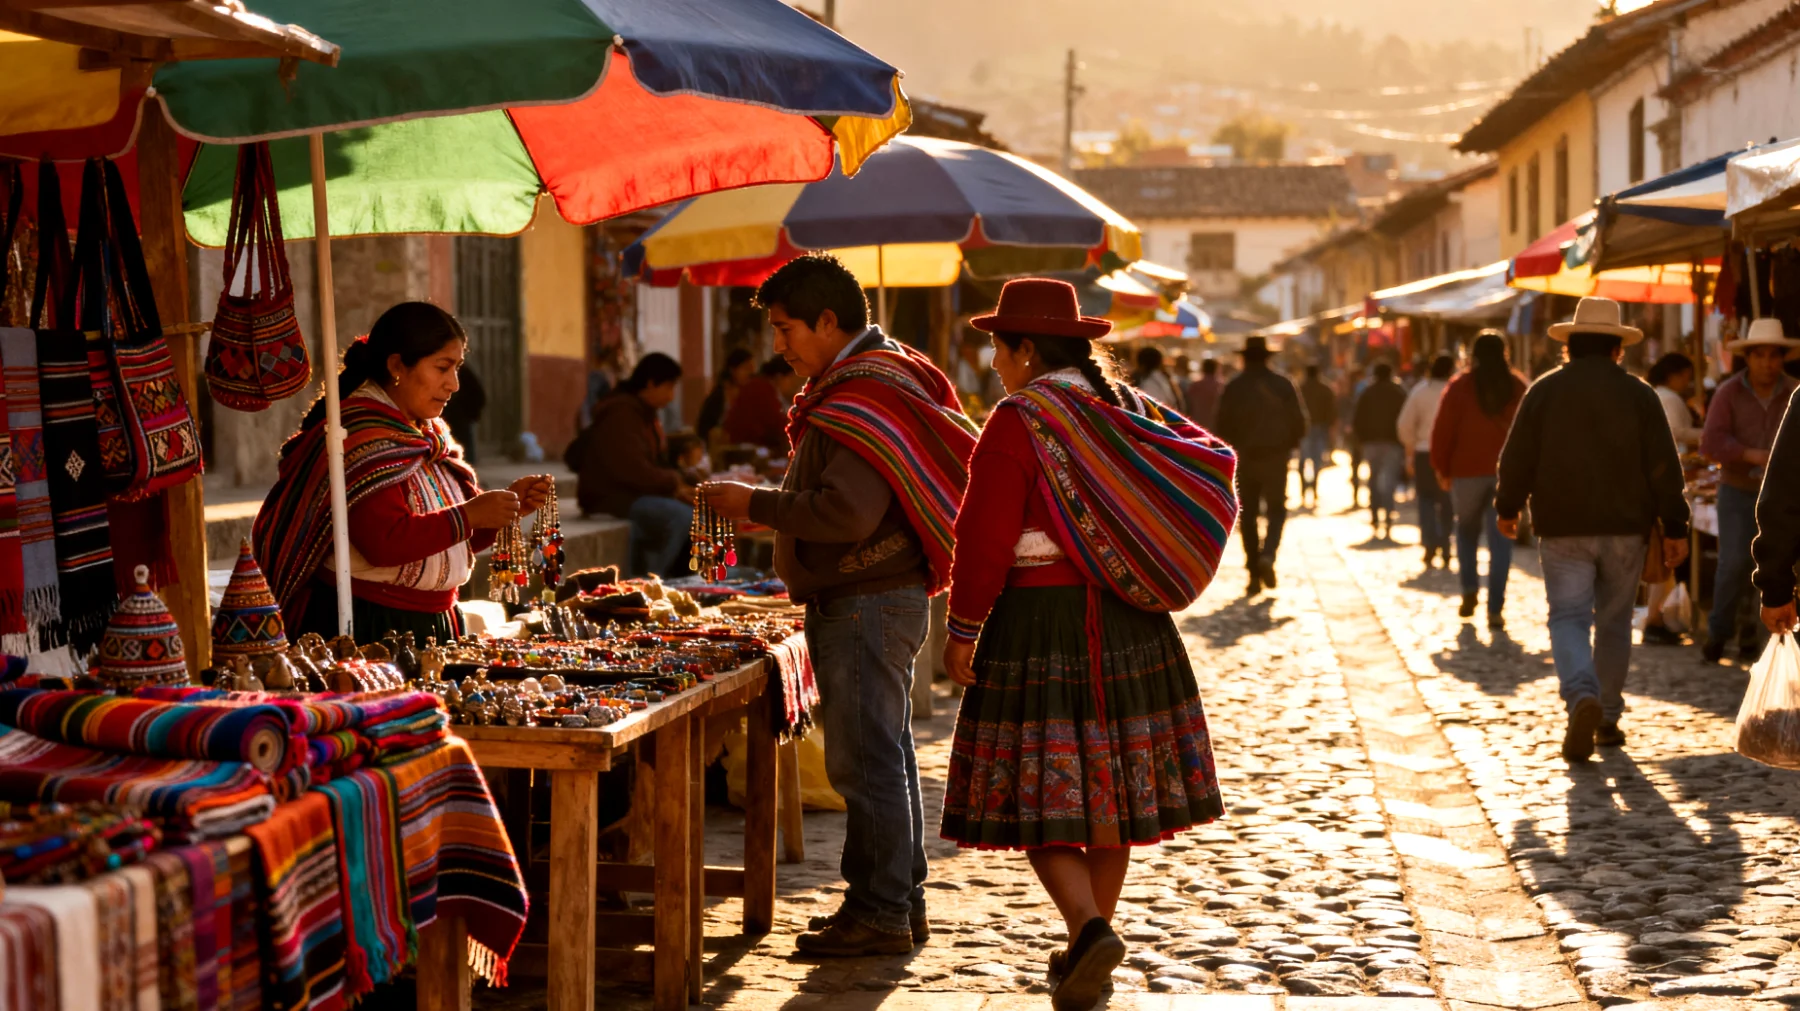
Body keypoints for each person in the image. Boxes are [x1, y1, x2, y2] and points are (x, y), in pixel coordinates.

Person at [939, 278, 1231, 1011]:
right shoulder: (1126, 407)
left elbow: (985, 536)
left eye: (998, 349)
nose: (994, 363)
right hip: (1133, 622)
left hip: (1042, 622)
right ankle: (1084, 949)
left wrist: (963, 627)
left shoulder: (1019, 419)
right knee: (1112, 792)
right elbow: (1210, 458)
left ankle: (1089, 929)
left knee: (1037, 792)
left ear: (1026, 349)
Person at [701, 254, 977, 957]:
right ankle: (896, 901)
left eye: (786, 329)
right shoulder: (876, 379)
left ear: (828, 321)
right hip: (878, 598)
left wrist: (757, 504)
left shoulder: (863, 392)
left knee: (867, 762)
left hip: (866, 600)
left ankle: (879, 911)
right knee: (885, 754)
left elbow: (847, 512)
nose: (779, 346)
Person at [253, 302, 552, 644]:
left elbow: (453, 539)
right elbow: (384, 543)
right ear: (397, 366)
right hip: (374, 627)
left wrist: (503, 512)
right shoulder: (360, 440)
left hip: (434, 622)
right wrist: (470, 514)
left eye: (457, 368)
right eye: (442, 367)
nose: (454, 384)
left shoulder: (427, 436)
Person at [1495, 297, 1689, 761]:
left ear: (1570, 347)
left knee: (1568, 617)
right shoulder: (1640, 395)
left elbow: (1517, 455)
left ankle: (1582, 693)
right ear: (1617, 349)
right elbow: (1663, 465)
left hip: (1563, 525)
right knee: (1615, 623)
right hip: (1625, 527)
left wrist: (1508, 506)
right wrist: (1675, 524)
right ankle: (1606, 716)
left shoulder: (1544, 390)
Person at [1700, 319, 1800, 663]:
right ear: (1749, 358)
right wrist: (1749, 454)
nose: (1767, 363)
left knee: (1777, 564)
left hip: (1784, 497)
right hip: (1739, 490)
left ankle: (1758, 642)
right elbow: (1711, 441)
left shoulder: (1793, 390)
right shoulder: (1728, 392)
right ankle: (1718, 633)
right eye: (1761, 355)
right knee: (1733, 563)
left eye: (1774, 356)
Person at [1430, 331, 1526, 629]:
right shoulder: (1517, 387)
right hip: (1505, 476)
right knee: (1502, 540)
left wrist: (1442, 469)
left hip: (1466, 472)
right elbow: (1529, 433)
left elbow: (1443, 431)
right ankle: (1495, 608)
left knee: (1466, 532)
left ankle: (1469, 588)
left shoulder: (1460, 386)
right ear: (1505, 353)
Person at [574, 352, 694, 577]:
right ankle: (652, 579)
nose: (671, 397)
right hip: (611, 499)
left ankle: (685, 576)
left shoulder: (644, 414)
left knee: (698, 511)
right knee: (681, 517)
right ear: (650, 384)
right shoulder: (621, 413)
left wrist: (683, 482)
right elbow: (633, 471)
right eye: (669, 387)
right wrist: (673, 482)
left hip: (633, 494)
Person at [1214, 335, 1305, 595]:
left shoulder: (1234, 387)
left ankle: (1253, 572)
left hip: (1245, 460)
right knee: (1277, 510)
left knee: (1249, 515)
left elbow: (1221, 427)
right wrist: (1287, 446)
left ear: (1244, 358)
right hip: (1276, 459)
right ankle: (1268, 555)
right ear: (1267, 358)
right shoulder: (1283, 384)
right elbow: (1300, 423)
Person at [1643, 352, 1703, 645]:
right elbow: (1676, 433)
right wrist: (1707, 432)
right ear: (1675, 374)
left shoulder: (1653, 394)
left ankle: (1655, 616)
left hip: (1657, 479)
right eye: (1686, 376)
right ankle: (1655, 618)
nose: (1688, 382)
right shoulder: (1669, 398)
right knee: (1665, 558)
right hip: (1668, 477)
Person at [1398, 354, 1454, 568]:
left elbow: (1405, 425)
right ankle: (1446, 544)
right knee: (1447, 501)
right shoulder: (1455, 390)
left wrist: (1409, 451)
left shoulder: (1420, 391)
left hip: (1424, 453)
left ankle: (1430, 542)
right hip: (1448, 455)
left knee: (1426, 500)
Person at [1353, 362, 1407, 540]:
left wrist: (1361, 440)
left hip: (1371, 443)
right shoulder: (1399, 392)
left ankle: (1375, 515)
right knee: (1389, 481)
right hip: (1392, 443)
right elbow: (1405, 418)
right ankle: (1388, 515)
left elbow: (1358, 418)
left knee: (1374, 479)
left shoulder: (1367, 392)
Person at [723, 357, 803, 453]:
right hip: (745, 447)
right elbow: (777, 426)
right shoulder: (762, 389)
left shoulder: (762, 386)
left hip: (748, 444)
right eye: (792, 379)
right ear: (779, 377)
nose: (794, 385)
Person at [696, 347, 755, 447]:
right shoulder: (719, 396)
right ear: (732, 370)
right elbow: (703, 428)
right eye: (745, 368)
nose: (750, 374)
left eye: (751, 369)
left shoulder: (751, 394)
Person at [1297, 364, 1337, 508]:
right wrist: (1331, 429)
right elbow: (1332, 411)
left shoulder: (1299, 388)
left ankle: (1303, 490)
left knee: (1303, 461)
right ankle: (1314, 488)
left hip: (1304, 429)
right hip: (1320, 428)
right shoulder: (1326, 389)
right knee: (1316, 461)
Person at [1185, 357, 1223, 429]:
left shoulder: (1195, 386)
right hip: (1215, 426)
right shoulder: (1220, 386)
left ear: (1203, 369)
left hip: (1198, 424)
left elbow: (1188, 405)